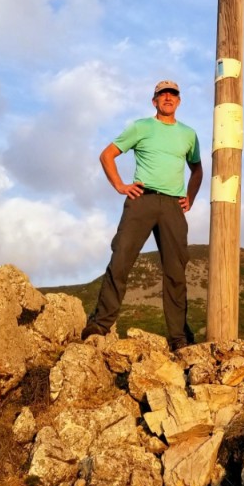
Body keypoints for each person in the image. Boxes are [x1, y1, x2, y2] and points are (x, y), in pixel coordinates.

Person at [81, 80, 203, 351]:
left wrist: (190, 197)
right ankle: (100, 324)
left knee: (175, 272)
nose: (168, 98)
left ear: (179, 101)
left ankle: (179, 339)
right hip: (141, 200)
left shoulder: (189, 135)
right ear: (155, 101)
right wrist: (120, 185)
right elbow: (107, 155)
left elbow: (197, 169)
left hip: (173, 206)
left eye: (173, 94)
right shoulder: (141, 127)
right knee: (121, 259)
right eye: (163, 95)